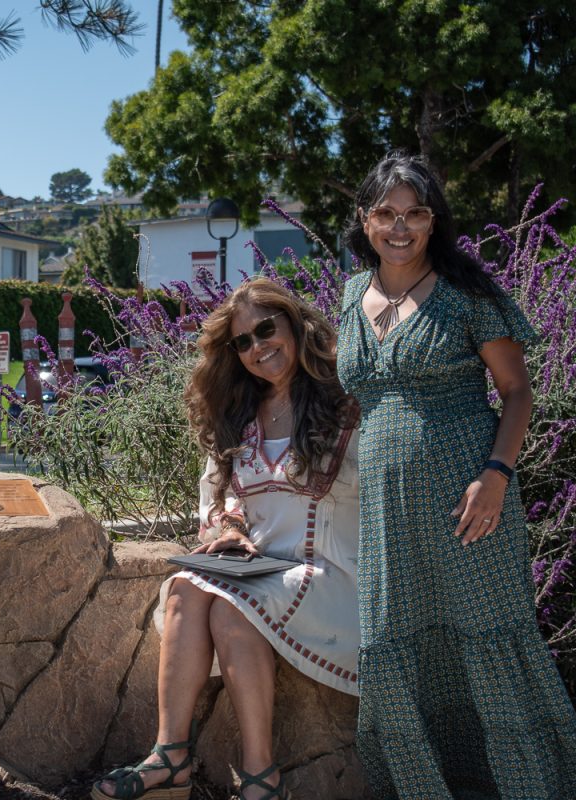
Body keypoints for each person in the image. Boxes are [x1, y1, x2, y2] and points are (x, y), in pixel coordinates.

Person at [336, 151, 576, 798]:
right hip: (387, 509)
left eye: (415, 213)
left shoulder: (469, 292)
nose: (400, 227)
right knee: (393, 639)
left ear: (434, 220)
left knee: (486, 636)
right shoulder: (352, 295)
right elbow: (361, 398)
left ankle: (528, 787)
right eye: (386, 212)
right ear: (366, 218)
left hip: (467, 500)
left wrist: (495, 475)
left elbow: (519, 393)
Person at [93, 278, 360, 800]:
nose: (258, 347)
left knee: (233, 605)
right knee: (187, 588)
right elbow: (214, 499)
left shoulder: (347, 402)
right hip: (263, 572)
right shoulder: (238, 416)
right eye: (243, 342)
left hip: (333, 574)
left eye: (266, 329)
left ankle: (260, 777)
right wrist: (231, 528)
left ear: (295, 326)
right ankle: (170, 757)